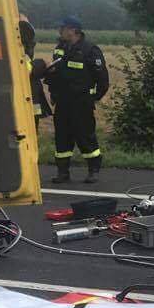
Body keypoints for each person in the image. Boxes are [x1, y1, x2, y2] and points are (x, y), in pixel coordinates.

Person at [42, 15, 109, 184]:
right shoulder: (60, 48)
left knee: (85, 136)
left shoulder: (90, 50)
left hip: (81, 102)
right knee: (62, 137)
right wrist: (53, 92)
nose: (60, 31)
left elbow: (102, 80)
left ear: (73, 30)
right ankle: (62, 172)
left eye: (63, 28)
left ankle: (93, 170)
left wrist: (93, 97)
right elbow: (55, 73)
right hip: (63, 102)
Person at [17, 14, 52, 124]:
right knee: (31, 121)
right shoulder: (15, 48)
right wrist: (41, 65)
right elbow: (25, 69)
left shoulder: (25, 45)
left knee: (34, 116)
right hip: (27, 93)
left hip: (33, 93)